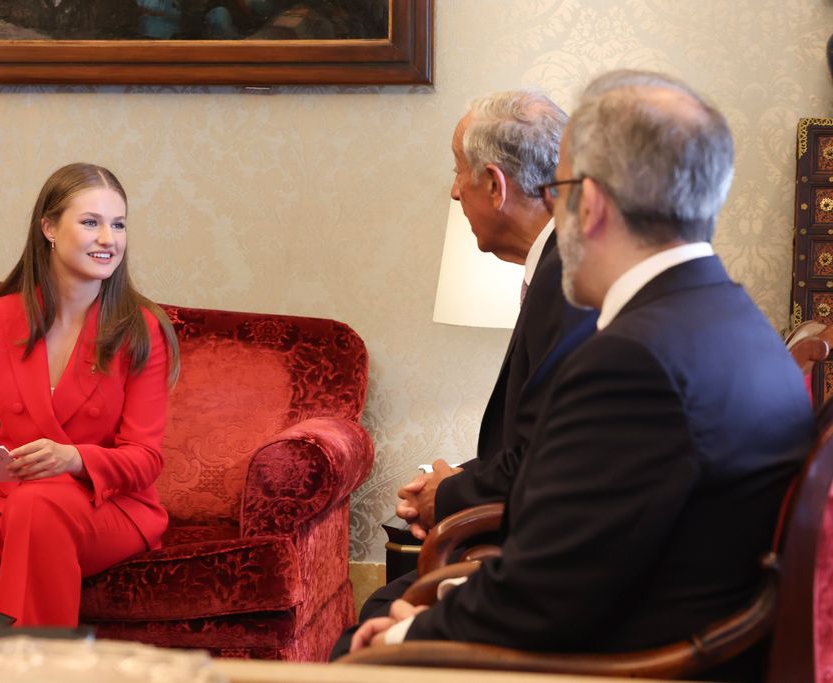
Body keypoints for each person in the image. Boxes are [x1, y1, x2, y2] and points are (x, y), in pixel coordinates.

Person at [349, 70, 814, 678]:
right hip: (656, 626)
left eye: (560, 188)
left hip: (622, 661)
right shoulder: (734, 320)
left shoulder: (634, 361)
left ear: (588, 204)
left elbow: (544, 597)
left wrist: (404, 636)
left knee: (356, 648)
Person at [330, 89, 598, 658]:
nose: (454, 189)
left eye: (459, 171)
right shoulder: (562, 266)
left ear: (495, 186)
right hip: (550, 543)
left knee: (368, 628)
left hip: (552, 568)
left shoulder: (567, 282)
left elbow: (547, 460)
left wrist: (449, 493)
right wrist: (444, 481)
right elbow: (542, 438)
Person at [0, 162, 180, 627]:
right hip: (12, 497)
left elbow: (145, 458)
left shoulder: (141, 329)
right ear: (48, 227)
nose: (109, 239)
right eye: (91, 222)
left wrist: (72, 459)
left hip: (109, 504)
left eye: (119, 224)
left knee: (38, 505)